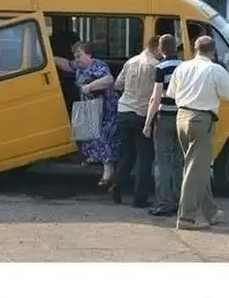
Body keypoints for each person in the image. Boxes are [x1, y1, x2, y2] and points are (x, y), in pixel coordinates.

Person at [166, 35, 229, 231]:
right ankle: (186, 217)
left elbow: (171, 93)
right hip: (201, 120)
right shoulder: (215, 69)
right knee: (194, 171)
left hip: (181, 117)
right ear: (213, 51)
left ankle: (211, 212)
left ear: (194, 49)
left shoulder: (182, 67)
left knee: (197, 167)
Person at [55, 42, 120, 187]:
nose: (77, 59)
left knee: (104, 138)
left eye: (79, 55)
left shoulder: (98, 65)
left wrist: (90, 87)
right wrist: (49, 57)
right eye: (75, 56)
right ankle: (94, 158)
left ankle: (108, 172)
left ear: (89, 55)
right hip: (90, 108)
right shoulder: (80, 66)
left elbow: (109, 80)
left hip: (105, 109)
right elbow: (67, 64)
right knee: (90, 134)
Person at [109, 36, 161, 207]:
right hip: (141, 114)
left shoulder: (131, 62)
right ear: (157, 48)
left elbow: (117, 85)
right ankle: (140, 198)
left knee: (128, 154)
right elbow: (158, 92)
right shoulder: (155, 66)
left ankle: (116, 185)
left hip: (124, 111)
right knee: (145, 157)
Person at [143, 33, 183, 217]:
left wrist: (148, 122)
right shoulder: (185, 67)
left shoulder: (160, 68)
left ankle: (164, 203)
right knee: (178, 161)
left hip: (165, 118)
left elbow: (155, 97)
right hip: (181, 118)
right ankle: (179, 201)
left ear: (161, 49)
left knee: (162, 162)